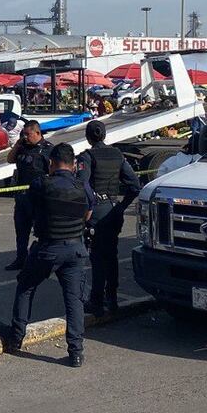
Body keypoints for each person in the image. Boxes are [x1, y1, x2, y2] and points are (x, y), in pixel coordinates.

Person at [0, 143, 94, 368]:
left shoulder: (41, 183)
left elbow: (29, 208)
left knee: (26, 286)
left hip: (48, 248)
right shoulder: (82, 185)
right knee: (74, 301)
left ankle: (16, 337)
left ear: (51, 163)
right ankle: (76, 352)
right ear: (73, 165)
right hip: (74, 249)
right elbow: (88, 212)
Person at [76, 120, 141, 317]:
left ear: (88, 137)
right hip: (114, 208)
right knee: (111, 256)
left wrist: (88, 207)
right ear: (104, 135)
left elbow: (81, 183)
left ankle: (96, 301)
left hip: (98, 210)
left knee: (97, 257)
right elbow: (134, 185)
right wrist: (121, 206)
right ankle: (111, 298)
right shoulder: (118, 155)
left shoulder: (87, 157)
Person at [5, 121, 52, 271]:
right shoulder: (22, 147)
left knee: (42, 231)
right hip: (22, 198)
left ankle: (45, 260)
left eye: (28, 134)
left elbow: (52, 172)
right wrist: (18, 144)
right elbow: (10, 159)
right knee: (21, 231)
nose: (25, 137)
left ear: (37, 133)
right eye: (23, 134)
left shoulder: (48, 149)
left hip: (38, 199)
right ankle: (21, 259)